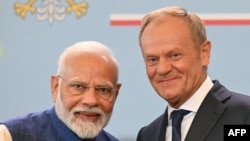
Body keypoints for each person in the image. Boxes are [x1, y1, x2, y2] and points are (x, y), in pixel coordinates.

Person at [136, 6, 250, 141]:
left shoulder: (244, 116)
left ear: (204, 53)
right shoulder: (148, 135)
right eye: (153, 59)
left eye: (174, 55)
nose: (162, 69)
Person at [0, 41, 122, 141]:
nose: (91, 101)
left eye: (103, 90)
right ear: (55, 87)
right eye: (78, 86)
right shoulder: (10, 136)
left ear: (115, 94)